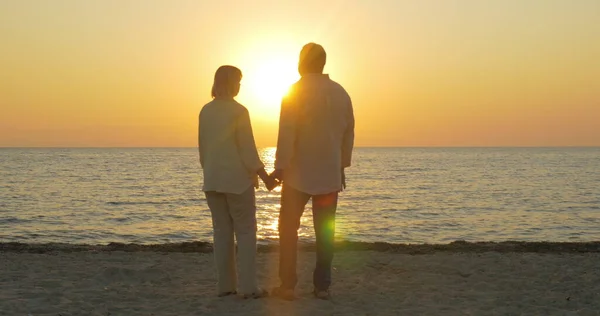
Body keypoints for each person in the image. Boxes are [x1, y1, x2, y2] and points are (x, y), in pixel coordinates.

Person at [271, 43, 355, 300]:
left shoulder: (294, 92)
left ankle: (287, 285)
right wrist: (342, 165)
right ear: (323, 63)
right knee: (325, 233)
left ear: (301, 63)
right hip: (329, 174)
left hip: (298, 175)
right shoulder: (341, 93)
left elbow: (287, 133)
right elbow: (348, 134)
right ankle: (322, 287)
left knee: (288, 231)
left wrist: (280, 167)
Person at [198, 65, 276, 299]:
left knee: (221, 233)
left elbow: (203, 150)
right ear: (231, 83)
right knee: (245, 232)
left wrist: (210, 171)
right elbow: (247, 150)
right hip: (236, 182)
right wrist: (265, 177)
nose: (240, 85)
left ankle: (225, 286)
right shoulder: (238, 111)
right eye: (239, 81)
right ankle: (249, 287)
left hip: (212, 180)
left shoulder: (205, 111)